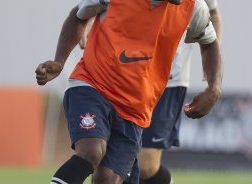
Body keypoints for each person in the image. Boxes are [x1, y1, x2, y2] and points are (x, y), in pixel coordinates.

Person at [35, 0, 223, 184]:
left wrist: (213, 88)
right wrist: (59, 61)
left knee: (109, 178)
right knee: (92, 150)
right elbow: (78, 16)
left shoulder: (194, 7)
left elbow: (209, 42)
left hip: (136, 108)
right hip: (92, 84)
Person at [137, 0, 223, 184]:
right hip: (129, 76)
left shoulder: (197, 6)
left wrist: (210, 66)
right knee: (119, 160)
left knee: (146, 166)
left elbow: (213, 14)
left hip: (170, 80)